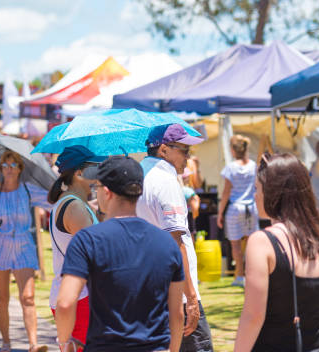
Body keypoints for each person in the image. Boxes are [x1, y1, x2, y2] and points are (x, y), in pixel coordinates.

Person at [56, 156, 185, 352]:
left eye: (96, 188)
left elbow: (65, 303)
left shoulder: (87, 240)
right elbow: (177, 314)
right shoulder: (167, 243)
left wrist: (65, 341)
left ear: (106, 192)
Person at [234, 153, 319, 351]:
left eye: (257, 189)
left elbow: (253, 317)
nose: (255, 195)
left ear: (273, 192)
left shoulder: (262, 242)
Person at [136, 123, 213, 352]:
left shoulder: (138, 175)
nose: (188, 157)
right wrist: (191, 298)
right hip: (175, 290)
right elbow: (175, 242)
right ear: (164, 150)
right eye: (184, 151)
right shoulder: (166, 181)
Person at [0, 150, 51, 352]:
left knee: (28, 297)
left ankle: (33, 344)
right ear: (0, 168)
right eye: (5, 165)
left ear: (20, 168)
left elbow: (54, 200)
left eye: (13, 165)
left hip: (23, 247)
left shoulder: (28, 190)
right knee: (2, 298)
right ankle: (6, 342)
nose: (9, 169)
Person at [47, 146, 106, 349]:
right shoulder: (75, 207)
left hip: (73, 295)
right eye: (95, 167)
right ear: (79, 172)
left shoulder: (73, 203)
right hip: (80, 297)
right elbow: (97, 253)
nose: (100, 171)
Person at [217, 134, 259, 287]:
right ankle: (252, 274)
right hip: (251, 207)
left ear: (233, 150)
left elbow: (226, 192)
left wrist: (220, 213)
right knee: (251, 244)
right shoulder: (254, 165)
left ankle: (240, 275)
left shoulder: (230, 167)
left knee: (235, 245)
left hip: (235, 207)